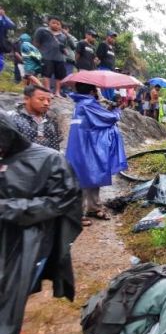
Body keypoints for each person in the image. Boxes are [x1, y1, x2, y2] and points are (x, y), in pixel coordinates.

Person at [0, 111, 82, 334]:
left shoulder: (49, 159)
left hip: (31, 244)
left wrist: (10, 208)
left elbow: (65, 199)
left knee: (10, 311)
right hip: (5, 241)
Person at [66, 82, 127, 226]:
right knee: (83, 178)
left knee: (92, 175)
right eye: (97, 90)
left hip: (82, 145)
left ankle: (93, 207)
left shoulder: (81, 103)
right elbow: (109, 119)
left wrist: (107, 109)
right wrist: (117, 111)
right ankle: (78, 214)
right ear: (93, 91)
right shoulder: (88, 103)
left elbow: (96, 118)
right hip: (86, 145)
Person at [10, 84, 62, 151]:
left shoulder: (51, 120)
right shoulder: (13, 118)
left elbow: (56, 146)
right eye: (41, 99)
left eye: (49, 100)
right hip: (20, 160)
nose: (46, 103)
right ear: (26, 99)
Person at [33, 15, 68, 97]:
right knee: (46, 74)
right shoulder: (42, 31)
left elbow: (64, 47)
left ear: (60, 26)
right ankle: (47, 91)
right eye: (53, 23)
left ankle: (57, 92)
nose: (56, 25)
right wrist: (37, 53)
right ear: (49, 22)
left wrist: (65, 51)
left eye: (58, 24)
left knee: (59, 76)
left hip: (59, 58)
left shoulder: (63, 36)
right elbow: (36, 43)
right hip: (46, 57)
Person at [96, 31, 118, 100]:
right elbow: (98, 57)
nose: (113, 39)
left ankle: (108, 102)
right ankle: (103, 101)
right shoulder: (103, 44)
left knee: (110, 89)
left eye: (114, 38)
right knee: (104, 88)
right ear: (107, 37)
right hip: (103, 69)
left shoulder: (112, 48)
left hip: (111, 71)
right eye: (111, 37)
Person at [0, 6, 16, 73]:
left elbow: (12, 25)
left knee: (1, 63)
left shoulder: (3, 19)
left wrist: (4, 16)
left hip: (1, 44)